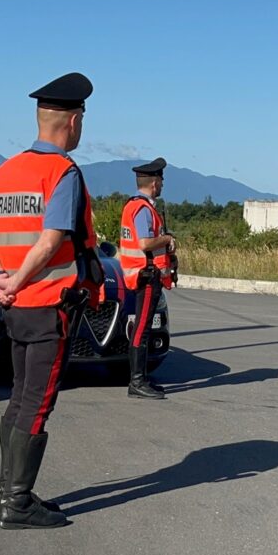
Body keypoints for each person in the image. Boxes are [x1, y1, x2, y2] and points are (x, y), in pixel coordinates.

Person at [0, 72, 103, 530]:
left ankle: (4, 490)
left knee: (19, 398)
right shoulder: (63, 173)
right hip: (49, 305)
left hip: (15, 309)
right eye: (82, 120)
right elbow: (51, 242)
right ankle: (17, 501)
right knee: (37, 401)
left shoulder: (5, 171)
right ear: (72, 122)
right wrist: (19, 281)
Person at [119, 157, 178, 400]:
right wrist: (166, 239)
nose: (162, 185)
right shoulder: (143, 210)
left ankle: (140, 377)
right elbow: (144, 243)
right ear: (154, 183)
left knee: (142, 328)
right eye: (161, 181)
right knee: (142, 329)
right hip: (146, 276)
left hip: (142, 275)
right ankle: (137, 382)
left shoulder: (135, 206)